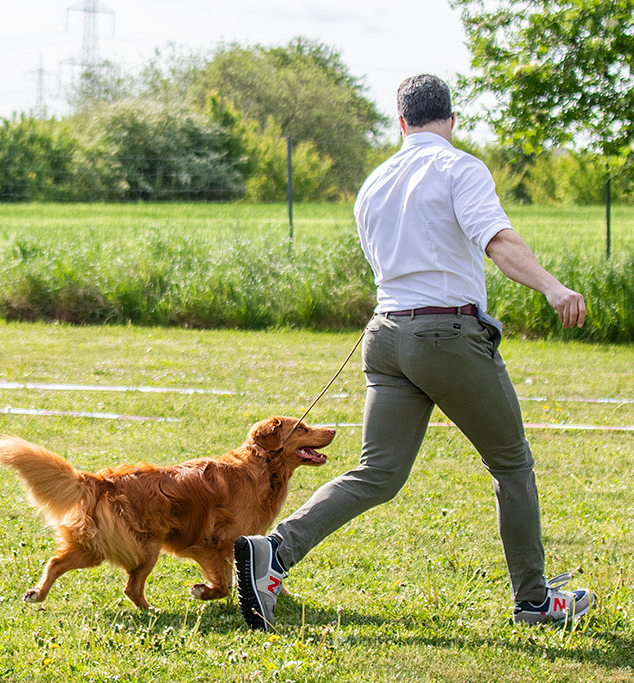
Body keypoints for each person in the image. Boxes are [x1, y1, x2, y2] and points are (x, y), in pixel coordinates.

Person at [234, 74, 593, 630]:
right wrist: (553, 287)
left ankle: (273, 552)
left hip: (385, 338)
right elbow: (497, 240)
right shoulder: (460, 167)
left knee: (377, 472)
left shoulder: (373, 183)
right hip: (446, 336)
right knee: (511, 464)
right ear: (451, 120)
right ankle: (534, 601)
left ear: (401, 122)